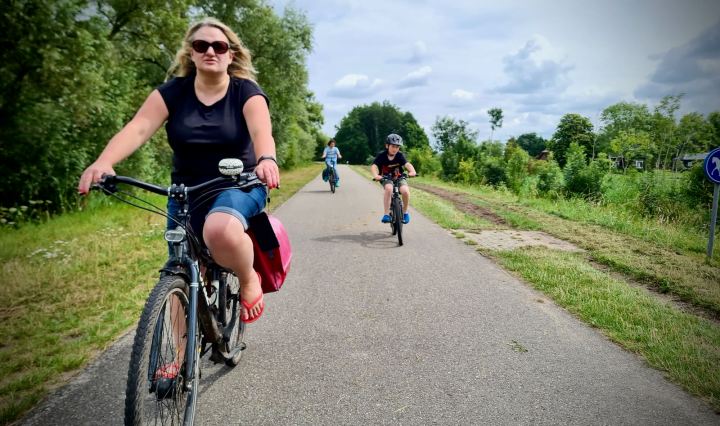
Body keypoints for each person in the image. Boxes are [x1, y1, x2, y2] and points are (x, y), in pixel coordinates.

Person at [78, 17, 279, 324]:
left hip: (240, 184)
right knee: (181, 265)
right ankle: (171, 361)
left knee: (219, 230)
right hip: (186, 191)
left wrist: (267, 159)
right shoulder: (173, 92)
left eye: (219, 46)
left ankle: (248, 276)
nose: (210, 50)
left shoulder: (245, 91)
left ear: (230, 54)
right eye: (201, 45)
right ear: (191, 53)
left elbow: (261, 130)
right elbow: (139, 127)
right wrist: (105, 161)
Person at [370, 133, 417, 224]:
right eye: (393, 146)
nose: (395, 149)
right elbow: (374, 166)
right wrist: (376, 175)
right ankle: (386, 214)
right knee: (389, 189)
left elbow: (407, 164)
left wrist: (412, 171)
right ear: (387, 145)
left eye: (397, 147)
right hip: (385, 177)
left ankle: (405, 212)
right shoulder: (382, 155)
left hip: (399, 177)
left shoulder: (399, 155)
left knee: (405, 191)